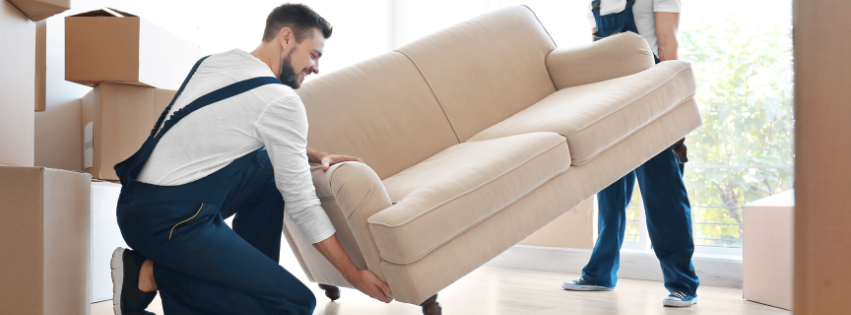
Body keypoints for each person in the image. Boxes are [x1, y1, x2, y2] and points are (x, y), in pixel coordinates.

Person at [109, 4, 392, 315]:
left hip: (137, 206)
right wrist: (354, 275)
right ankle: (150, 274)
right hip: (174, 223)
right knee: (295, 304)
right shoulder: (281, 101)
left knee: (269, 168)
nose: (316, 67)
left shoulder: (216, 63)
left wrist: (309, 153)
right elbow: (303, 205)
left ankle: (245, 287)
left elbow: (219, 132)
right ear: (287, 38)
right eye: (314, 55)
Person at [560, 0, 700, 308]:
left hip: (650, 101)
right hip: (610, 104)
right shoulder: (595, 3)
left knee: (664, 197)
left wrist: (671, 107)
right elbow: (595, 58)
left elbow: (667, 47)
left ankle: (682, 284)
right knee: (609, 198)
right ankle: (600, 273)